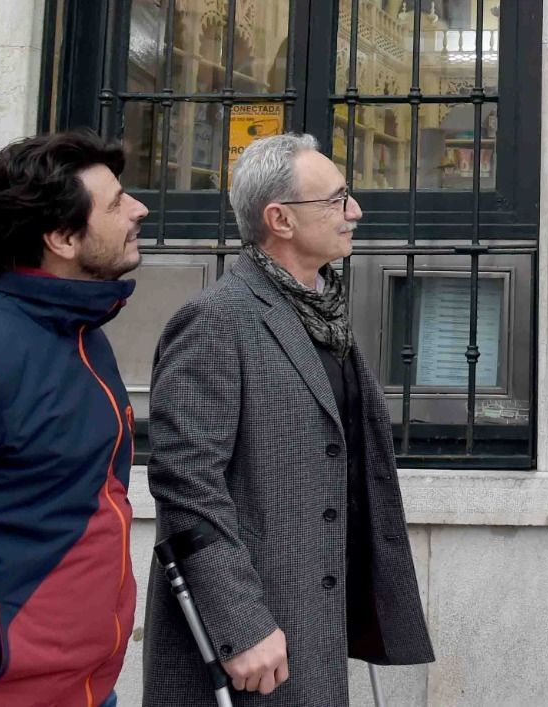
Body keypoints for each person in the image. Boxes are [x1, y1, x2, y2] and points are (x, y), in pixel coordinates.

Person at [143, 133, 433, 705]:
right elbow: (186, 487)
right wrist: (241, 623)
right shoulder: (216, 320)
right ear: (280, 219)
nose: (355, 211)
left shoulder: (322, 313)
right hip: (252, 639)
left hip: (315, 617)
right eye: (335, 199)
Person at [0, 131, 146, 706]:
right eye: (118, 202)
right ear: (61, 237)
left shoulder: (83, 338)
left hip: (83, 690)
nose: (139, 209)